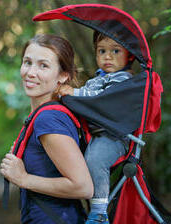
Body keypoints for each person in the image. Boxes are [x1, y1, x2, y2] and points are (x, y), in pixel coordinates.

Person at [0, 34, 93, 224]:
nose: (31, 72)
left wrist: (24, 179)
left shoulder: (48, 119)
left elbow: (83, 186)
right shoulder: (46, 114)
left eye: (43, 65)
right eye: (27, 62)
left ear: (63, 75)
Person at [58, 31, 135, 224]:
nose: (107, 57)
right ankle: (85, 207)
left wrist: (74, 92)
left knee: (94, 160)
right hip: (96, 135)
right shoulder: (97, 79)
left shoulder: (123, 80)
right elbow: (88, 95)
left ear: (129, 55)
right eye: (102, 51)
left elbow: (101, 99)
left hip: (115, 137)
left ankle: (99, 214)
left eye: (115, 51)